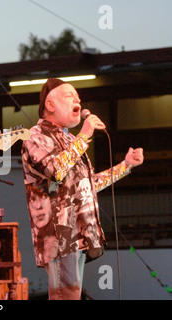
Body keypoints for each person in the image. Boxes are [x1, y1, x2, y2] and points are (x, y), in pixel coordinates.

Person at [21, 78, 144, 300]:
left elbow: (88, 185)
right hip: (59, 234)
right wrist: (84, 135)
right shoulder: (35, 136)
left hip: (78, 233)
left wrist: (125, 166)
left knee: (70, 295)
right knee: (64, 295)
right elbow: (55, 170)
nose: (77, 99)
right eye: (70, 96)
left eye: (78, 96)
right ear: (50, 105)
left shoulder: (70, 140)